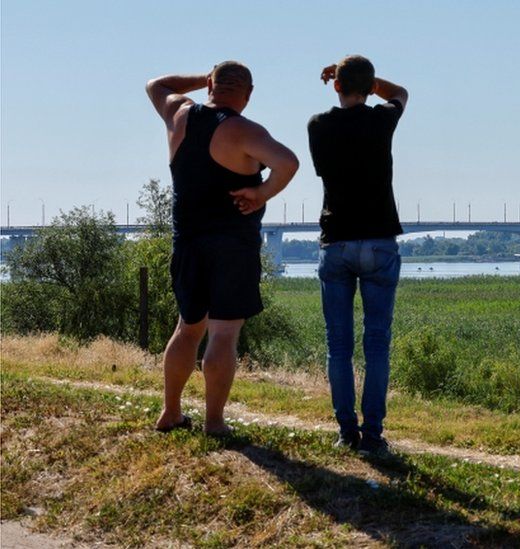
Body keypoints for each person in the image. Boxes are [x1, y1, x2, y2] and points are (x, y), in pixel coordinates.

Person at [146, 61, 299, 436]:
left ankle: (171, 412)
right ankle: (214, 422)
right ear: (248, 94)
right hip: (233, 245)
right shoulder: (244, 130)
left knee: (187, 329)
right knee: (224, 334)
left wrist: (205, 78)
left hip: (188, 243)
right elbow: (288, 162)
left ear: (211, 85)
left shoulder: (179, 114)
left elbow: (156, 84)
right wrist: (260, 193)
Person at [307, 55, 408, 454]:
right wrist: (368, 83)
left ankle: (346, 432)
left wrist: (349, 79)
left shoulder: (318, 125)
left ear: (335, 86)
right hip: (380, 239)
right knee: (377, 343)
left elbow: (322, 171)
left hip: (337, 241)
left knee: (339, 345)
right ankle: (374, 435)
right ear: (368, 89)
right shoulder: (383, 119)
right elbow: (400, 93)